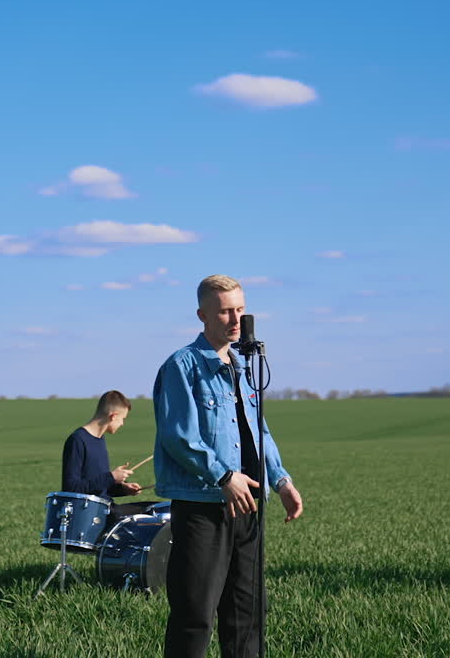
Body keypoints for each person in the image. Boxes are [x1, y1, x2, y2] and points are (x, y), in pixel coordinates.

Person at [154, 274, 303, 658]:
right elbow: (178, 435)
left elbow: (259, 429)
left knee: (247, 614)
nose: (235, 319)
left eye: (239, 309)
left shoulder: (243, 367)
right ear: (202, 314)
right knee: (195, 614)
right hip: (204, 506)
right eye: (224, 312)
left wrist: (282, 481)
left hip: (249, 505)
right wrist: (223, 476)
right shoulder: (182, 366)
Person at [60, 390, 155, 520]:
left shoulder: (100, 440)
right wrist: (111, 477)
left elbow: (98, 487)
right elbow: (71, 489)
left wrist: (122, 488)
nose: (122, 423)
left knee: (156, 509)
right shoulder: (78, 440)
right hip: (91, 515)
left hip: (107, 508)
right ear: (113, 416)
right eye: (123, 418)